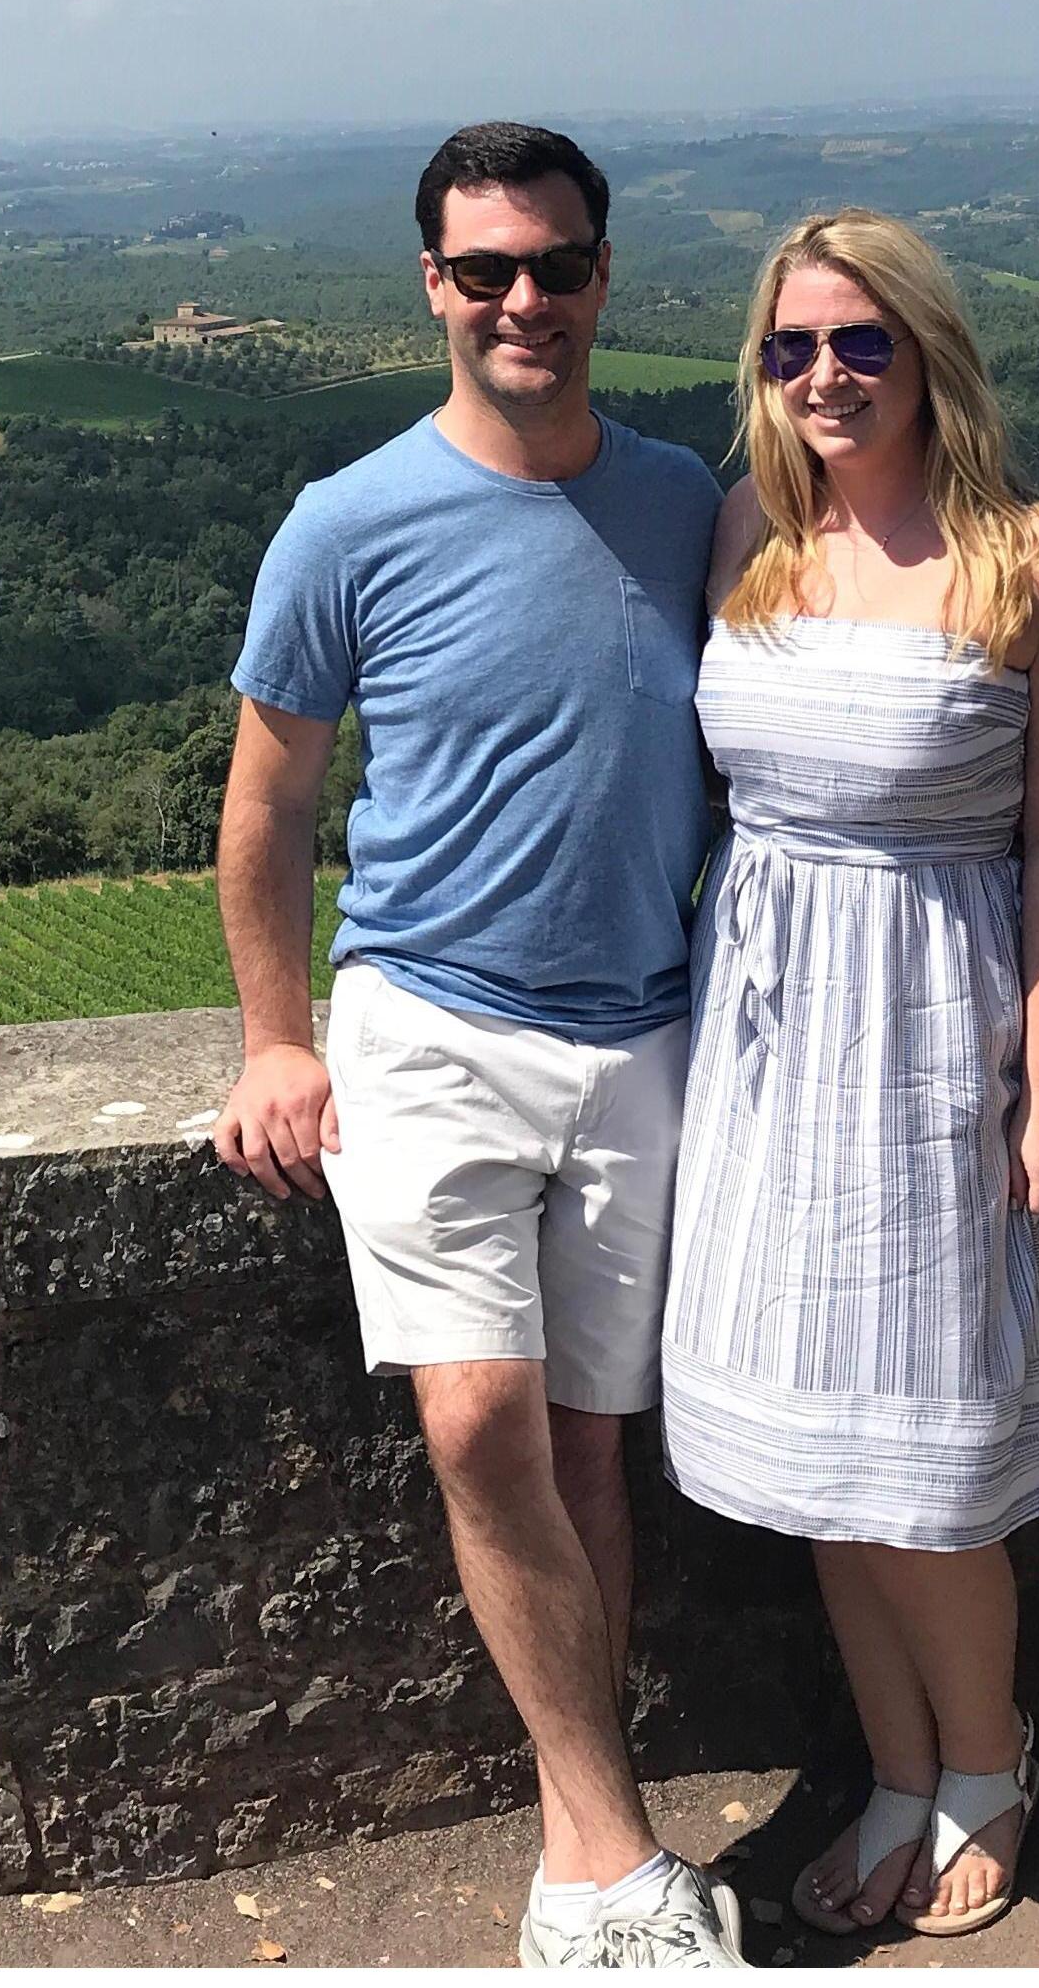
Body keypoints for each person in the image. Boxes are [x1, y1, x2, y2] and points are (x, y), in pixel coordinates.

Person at [212, 121, 743, 1970]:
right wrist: (275, 1039)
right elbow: (269, 805)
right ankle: (615, 1855)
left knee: (591, 1441)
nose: (528, 299)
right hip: (429, 1019)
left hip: (642, 1033)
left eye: (559, 265)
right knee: (479, 1417)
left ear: (604, 277)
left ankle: (582, 1851)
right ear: (434, 286)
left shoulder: (686, 503)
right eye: (489, 270)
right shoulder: (346, 521)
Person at [657, 208, 1039, 1943]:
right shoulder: (749, 531)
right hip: (763, 1042)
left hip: (932, 1033)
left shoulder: (1037, 554)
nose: (827, 375)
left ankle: (989, 1766)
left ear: (930, 354)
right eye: (791, 348)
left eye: (862, 341)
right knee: (816, 1446)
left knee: (924, 1456)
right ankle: (898, 1771)